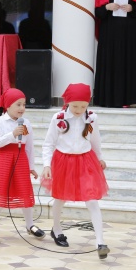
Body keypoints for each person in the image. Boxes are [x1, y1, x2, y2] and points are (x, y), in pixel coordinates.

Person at [41, 83, 110, 260]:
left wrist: (100, 157)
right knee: (60, 197)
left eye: (83, 106)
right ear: (68, 102)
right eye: (75, 106)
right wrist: (47, 165)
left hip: (86, 160)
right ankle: (56, 229)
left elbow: (95, 140)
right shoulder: (58, 118)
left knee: (92, 200)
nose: (79, 110)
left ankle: (100, 242)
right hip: (63, 161)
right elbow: (48, 143)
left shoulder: (92, 118)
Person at [0, 89, 44, 244]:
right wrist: (12, 134)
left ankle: (30, 225)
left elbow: (29, 146)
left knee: (25, 192)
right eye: (18, 104)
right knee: (0, 192)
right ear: (8, 105)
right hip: (3, 160)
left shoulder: (26, 123)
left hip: (20, 160)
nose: (22, 108)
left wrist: (31, 166)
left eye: (24, 104)